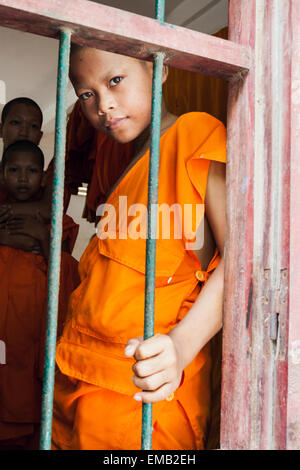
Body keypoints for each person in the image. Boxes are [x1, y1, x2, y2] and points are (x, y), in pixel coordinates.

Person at [52, 45, 226, 450]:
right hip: (84, 373)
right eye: (87, 94)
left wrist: (181, 347)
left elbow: (239, 262)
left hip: (149, 383)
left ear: (158, 71)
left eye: (115, 80)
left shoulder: (194, 133)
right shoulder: (125, 165)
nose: (104, 106)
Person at [0, 140, 80, 450]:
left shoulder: (59, 224)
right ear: (3, 174)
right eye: (15, 170)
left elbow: (67, 279)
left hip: (34, 342)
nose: (23, 178)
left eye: (32, 170)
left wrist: (43, 239)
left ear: (45, 178)